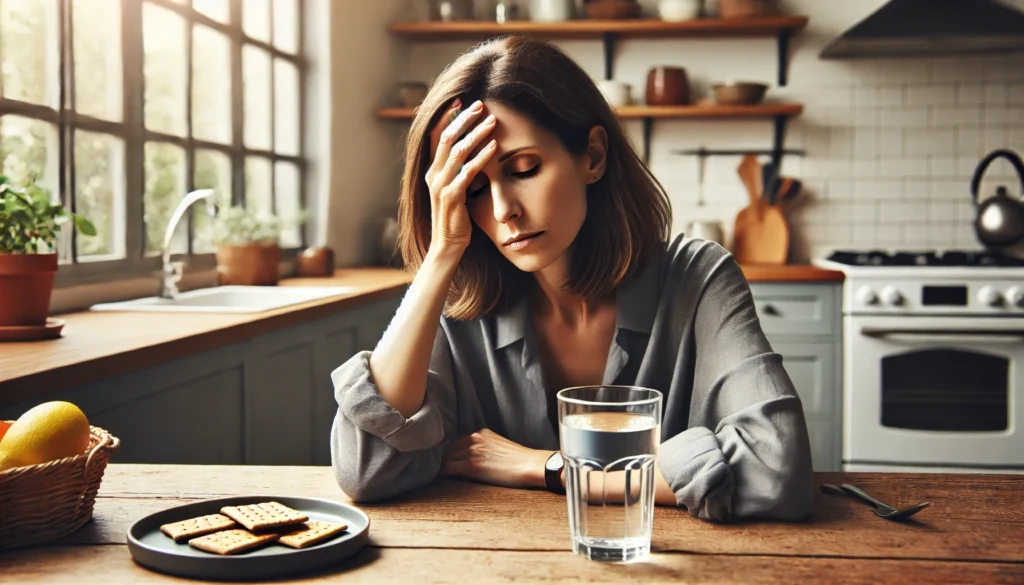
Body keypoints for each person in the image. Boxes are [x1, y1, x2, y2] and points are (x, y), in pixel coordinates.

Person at [329, 35, 813, 522]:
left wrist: (547, 467)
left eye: (524, 169)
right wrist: (440, 255)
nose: (502, 211)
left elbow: (775, 471)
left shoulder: (699, 278)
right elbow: (367, 470)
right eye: (473, 189)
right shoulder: (457, 304)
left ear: (593, 157)